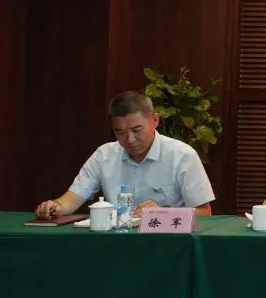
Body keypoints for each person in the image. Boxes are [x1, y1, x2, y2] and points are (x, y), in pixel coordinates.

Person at [34, 91, 214, 218]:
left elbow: (205, 213)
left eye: (137, 130)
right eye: (119, 132)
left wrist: (164, 213)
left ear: (155, 120)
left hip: (167, 244)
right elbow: (73, 198)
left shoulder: (182, 156)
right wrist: (56, 207)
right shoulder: (104, 155)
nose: (129, 139)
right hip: (116, 242)